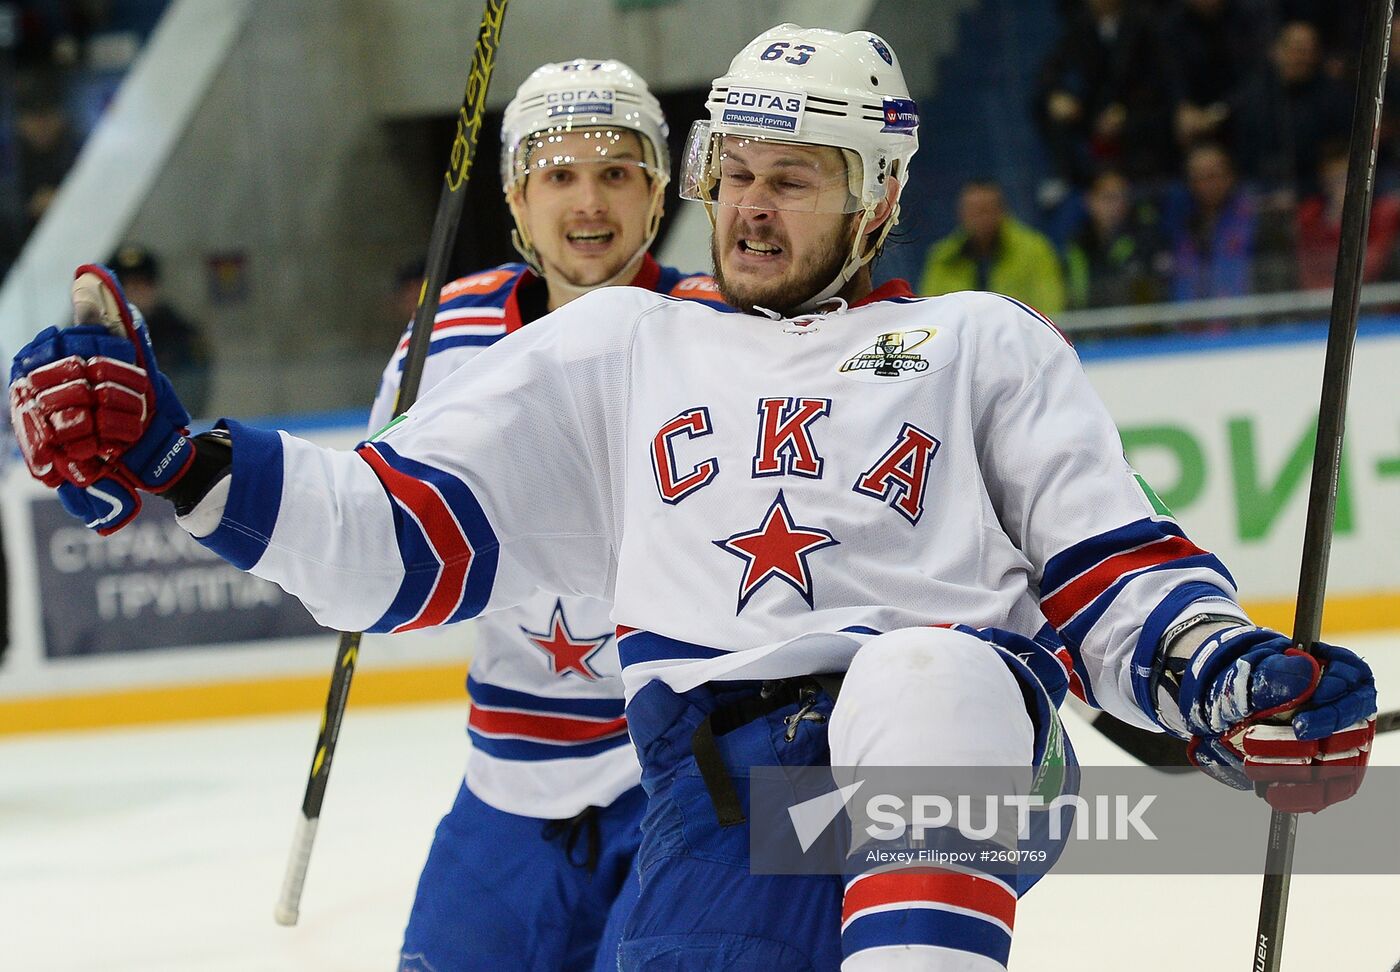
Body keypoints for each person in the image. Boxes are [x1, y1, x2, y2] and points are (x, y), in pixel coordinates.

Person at [10, 24, 1378, 972]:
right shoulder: (620, 348)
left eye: (794, 179)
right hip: (724, 798)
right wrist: (184, 463)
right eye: (734, 175)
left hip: (962, 747)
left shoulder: (978, 342)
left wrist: (1216, 671)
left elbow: (1107, 565)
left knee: (927, 676)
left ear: (877, 197)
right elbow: (391, 534)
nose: (750, 207)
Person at [367, 59, 726, 972]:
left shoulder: (725, 329)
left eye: (616, 172)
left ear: (658, 193)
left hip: (689, 776)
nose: (588, 202)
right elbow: (378, 526)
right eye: (558, 175)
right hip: (510, 778)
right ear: (517, 201)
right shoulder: (446, 337)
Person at [920, 179, 1067, 314]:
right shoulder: (942, 257)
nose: (979, 218)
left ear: (1002, 210)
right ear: (961, 213)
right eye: (972, 210)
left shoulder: (1034, 249)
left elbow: (1049, 308)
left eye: (985, 210)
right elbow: (931, 312)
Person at [107, 245, 213, 416]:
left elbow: (192, 394)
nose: (134, 292)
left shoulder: (180, 334)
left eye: (141, 284)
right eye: (125, 286)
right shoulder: (101, 335)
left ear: (154, 287)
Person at [1063, 168, 1167, 309]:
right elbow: (1074, 296)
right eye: (1109, 198)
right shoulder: (1078, 245)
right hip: (1090, 320)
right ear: (1090, 200)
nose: (1118, 205)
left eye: (1123, 197)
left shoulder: (1145, 240)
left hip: (1134, 321)